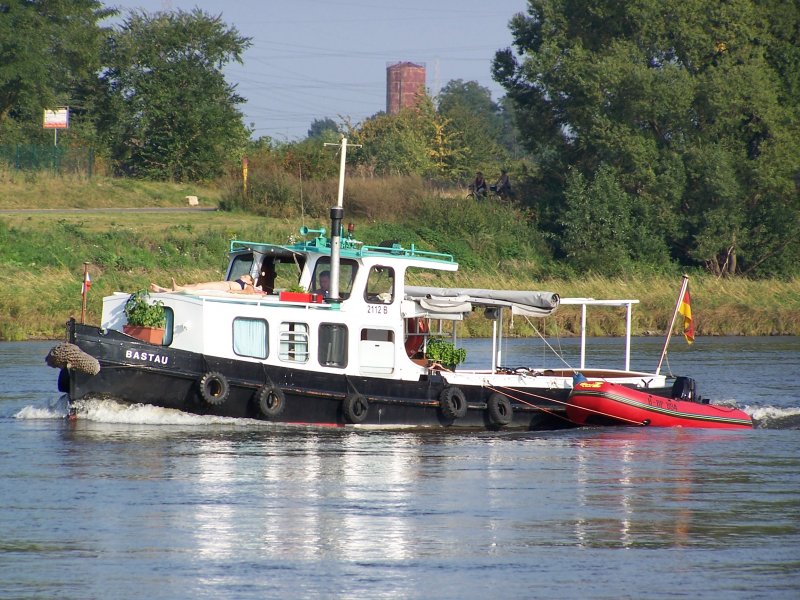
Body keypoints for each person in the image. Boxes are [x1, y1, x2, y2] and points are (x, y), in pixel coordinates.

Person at [150, 274, 264, 295]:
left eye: (245, 277)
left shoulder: (248, 285)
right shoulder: (242, 282)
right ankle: (164, 289)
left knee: (199, 286)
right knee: (195, 285)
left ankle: (176, 288)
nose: (242, 277)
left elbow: (248, 292)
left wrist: (234, 291)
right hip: (224, 284)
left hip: (226, 287)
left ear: (250, 281)